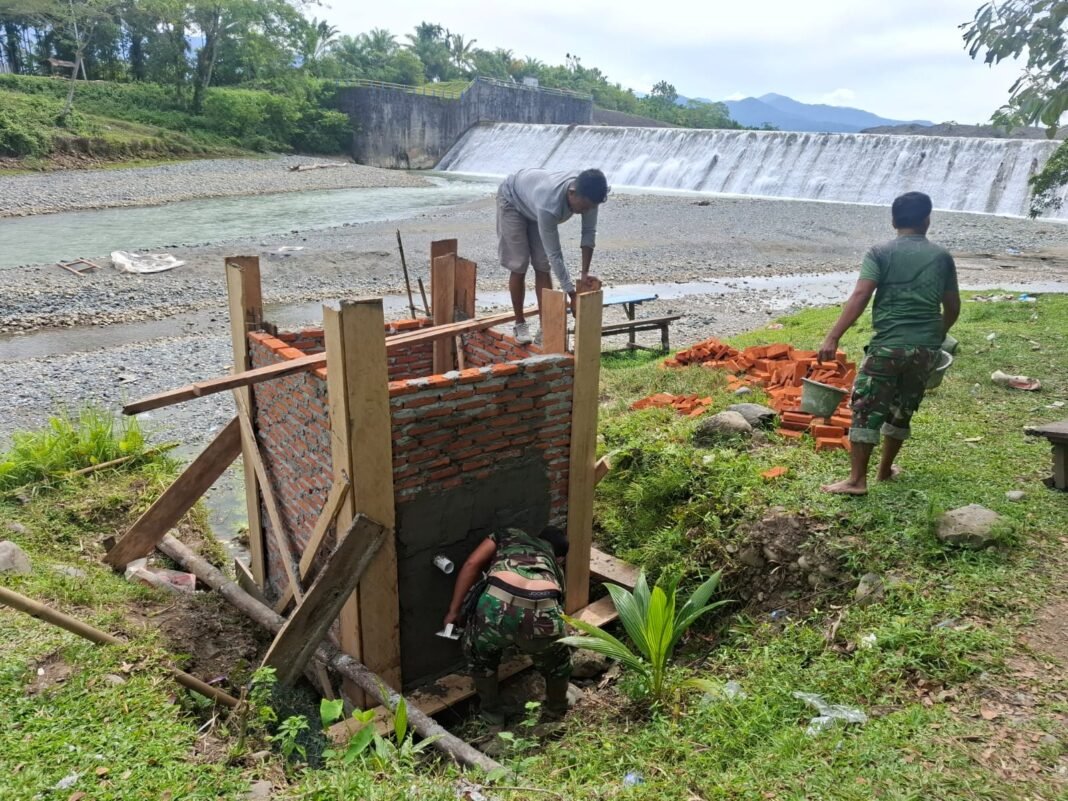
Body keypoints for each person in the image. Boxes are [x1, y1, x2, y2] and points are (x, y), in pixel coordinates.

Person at [818, 191, 961, 495]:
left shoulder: (880, 252)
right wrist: (936, 335)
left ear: (894, 220)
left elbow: (861, 295)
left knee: (866, 406)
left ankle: (857, 481)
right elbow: (953, 306)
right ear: (927, 220)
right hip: (924, 351)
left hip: (888, 346)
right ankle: (884, 471)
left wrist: (833, 336)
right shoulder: (942, 257)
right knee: (902, 408)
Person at [444, 525, 571, 725]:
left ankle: (492, 717)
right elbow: (559, 611)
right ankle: (555, 711)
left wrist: (453, 610)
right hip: (542, 608)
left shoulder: (508, 534)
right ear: (560, 558)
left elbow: (471, 564)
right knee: (558, 662)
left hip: (494, 603)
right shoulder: (556, 569)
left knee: (480, 658)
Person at [496, 168, 609, 344]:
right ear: (572, 193)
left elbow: (588, 233)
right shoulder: (549, 204)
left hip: (533, 203)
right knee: (520, 263)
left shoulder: (590, 195)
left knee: (542, 264)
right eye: (584, 207)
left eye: (591, 207)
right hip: (513, 200)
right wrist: (572, 294)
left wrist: (585, 273)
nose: (586, 211)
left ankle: (544, 327)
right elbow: (555, 254)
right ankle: (520, 324)